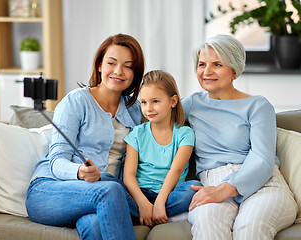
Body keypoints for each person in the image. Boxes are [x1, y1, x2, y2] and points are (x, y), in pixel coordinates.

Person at [25, 33, 145, 240]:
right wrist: (79, 172)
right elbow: (56, 161)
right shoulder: (76, 102)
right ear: (99, 65)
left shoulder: (136, 111)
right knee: (110, 190)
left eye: (128, 66)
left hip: (99, 196)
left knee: (96, 225)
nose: (118, 71)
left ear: (135, 72)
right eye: (112, 63)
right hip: (50, 190)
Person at [183, 34, 297, 239]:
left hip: (264, 183)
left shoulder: (258, 105)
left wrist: (226, 189)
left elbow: (263, 158)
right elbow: (153, 112)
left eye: (217, 64)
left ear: (234, 70)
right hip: (212, 181)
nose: (206, 72)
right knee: (207, 224)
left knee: (250, 227)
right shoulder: (191, 104)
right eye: (201, 64)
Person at [123, 70, 202, 227]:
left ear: (173, 101)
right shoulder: (137, 133)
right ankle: (151, 213)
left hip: (169, 195)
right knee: (112, 188)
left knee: (193, 189)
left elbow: (176, 170)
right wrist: (142, 203)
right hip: (139, 195)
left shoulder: (185, 133)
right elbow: (128, 176)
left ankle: (155, 212)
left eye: (155, 101)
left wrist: (160, 202)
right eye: (144, 102)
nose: (148, 108)